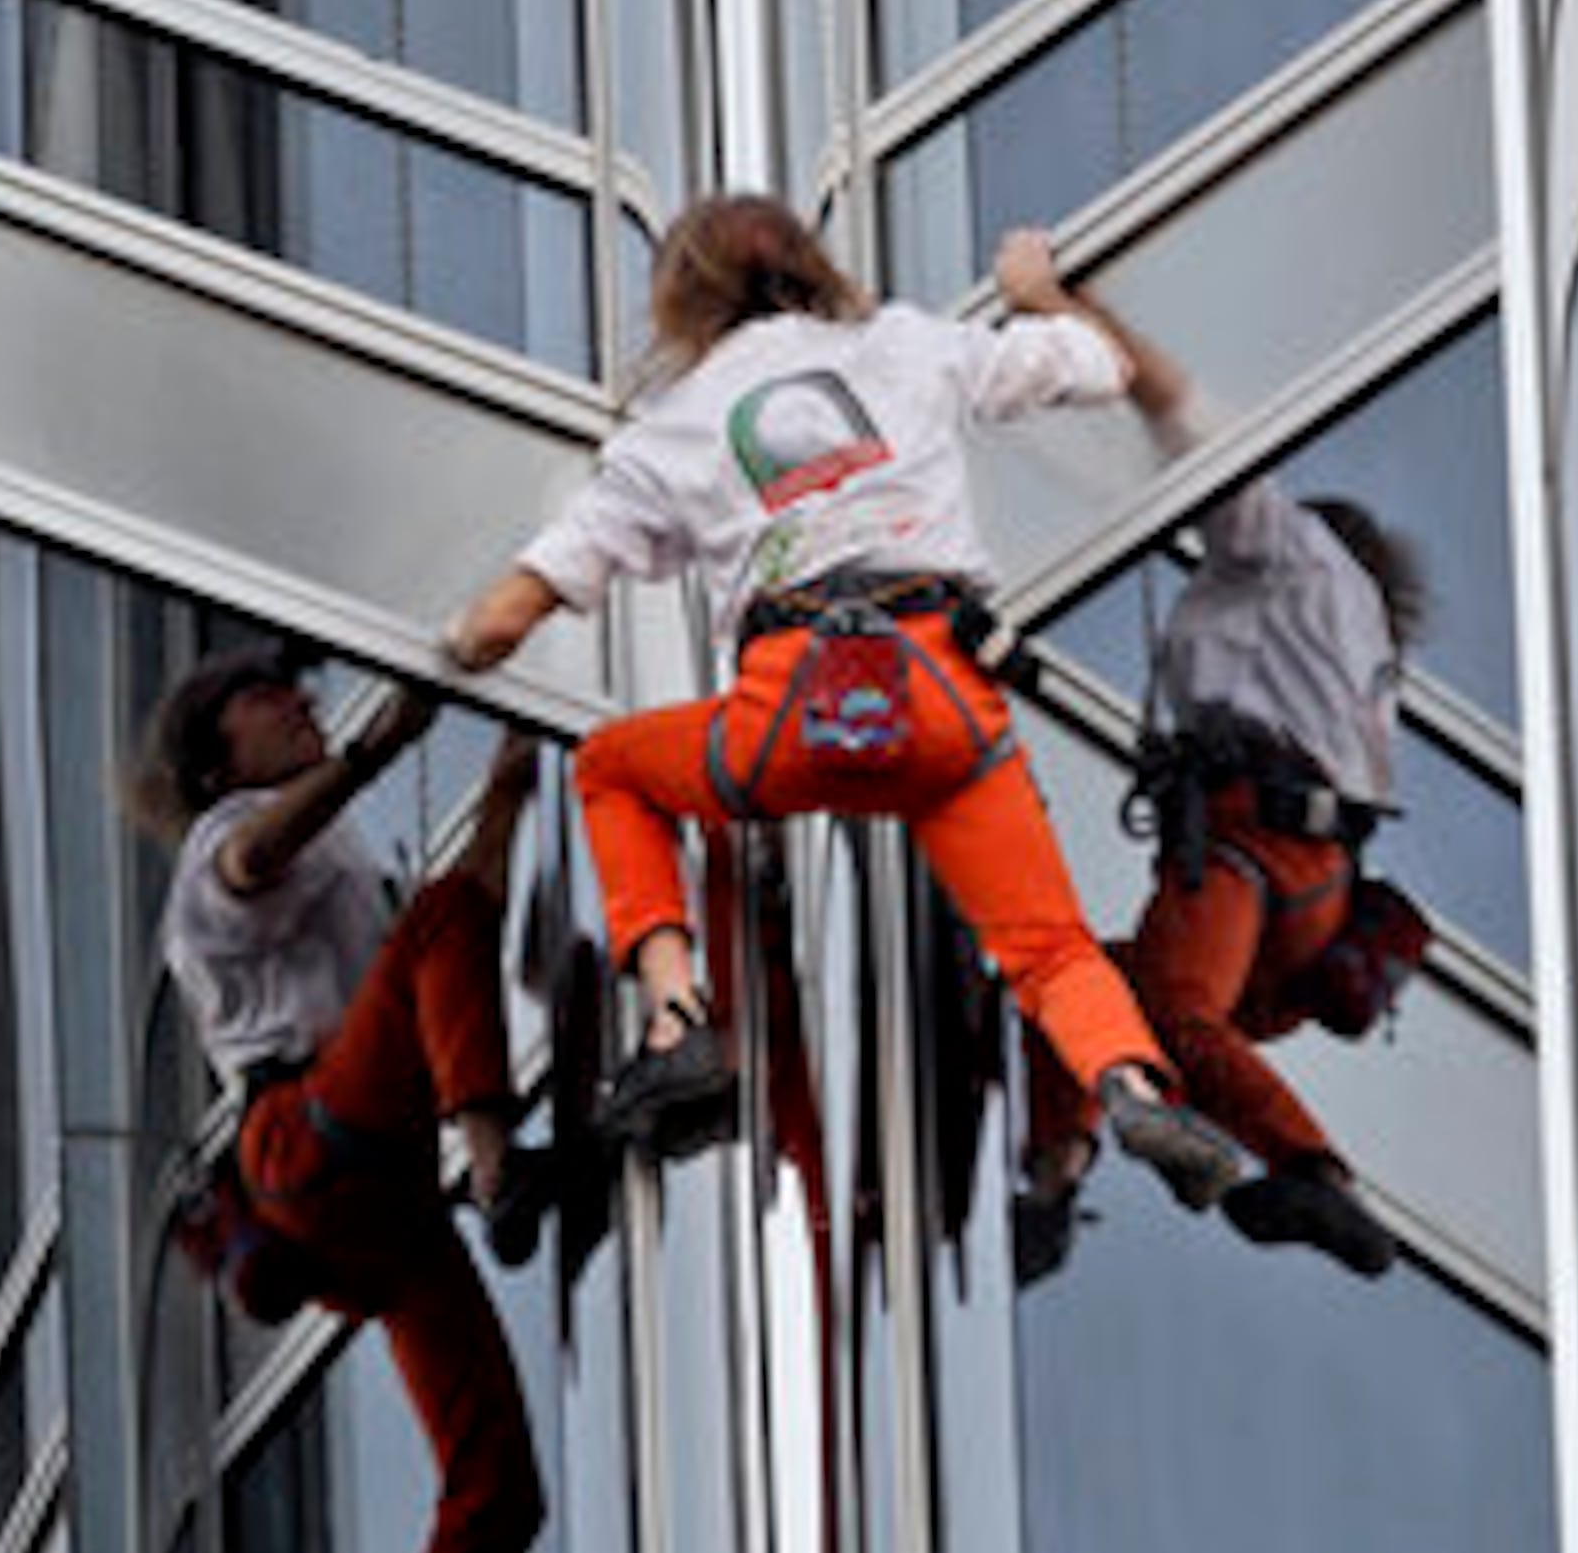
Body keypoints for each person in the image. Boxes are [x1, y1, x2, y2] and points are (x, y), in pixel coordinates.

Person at [440, 192, 1246, 1217]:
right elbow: (1099, 366)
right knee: (1050, 947)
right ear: (807, 264)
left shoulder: (677, 425)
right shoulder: (905, 345)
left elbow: (514, 611)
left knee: (610, 768)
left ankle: (676, 1021)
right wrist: (1041, 293)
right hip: (943, 695)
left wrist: (455, 639)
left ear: (685, 298)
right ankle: (1129, 1085)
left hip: (790, 710)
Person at [129, 642, 569, 1553]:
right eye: (278, 701)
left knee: (500, 1488)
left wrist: (506, 784)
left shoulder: (353, 863)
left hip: (367, 1197)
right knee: (436, 926)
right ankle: (497, 1165)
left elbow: (459, 926)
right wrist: (383, 742)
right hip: (311, 1146)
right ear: (221, 749)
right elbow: (259, 860)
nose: (306, 707)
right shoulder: (220, 845)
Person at [1017, 305, 1430, 1285]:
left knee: (1175, 1013)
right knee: (1079, 991)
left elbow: (1187, 418)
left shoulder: (1285, 555)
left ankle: (1311, 1170)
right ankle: (1052, 1187)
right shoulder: (1363, 642)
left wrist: (1062, 306)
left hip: (1253, 860)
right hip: (1310, 903)